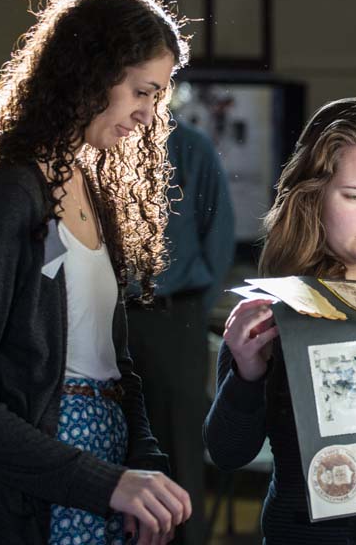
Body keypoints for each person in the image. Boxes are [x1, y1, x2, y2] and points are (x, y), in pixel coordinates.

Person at [0, 0, 192, 545]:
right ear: (92, 72)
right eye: (142, 92)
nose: (146, 115)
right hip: (27, 497)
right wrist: (102, 481)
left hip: (102, 482)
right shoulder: (10, 195)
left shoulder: (92, 188)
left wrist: (146, 462)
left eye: (155, 99)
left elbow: (113, 367)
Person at [203, 97, 356, 544]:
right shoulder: (278, 304)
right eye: (354, 196)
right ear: (313, 195)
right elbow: (229, 453)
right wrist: (246, 375)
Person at [126, 120, 234, 545]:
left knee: (179, 452)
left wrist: (189, 312)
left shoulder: (190, 147)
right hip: (109, 313)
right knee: (109, 443)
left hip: (175, 313)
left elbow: (219, 237)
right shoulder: (99, 141)